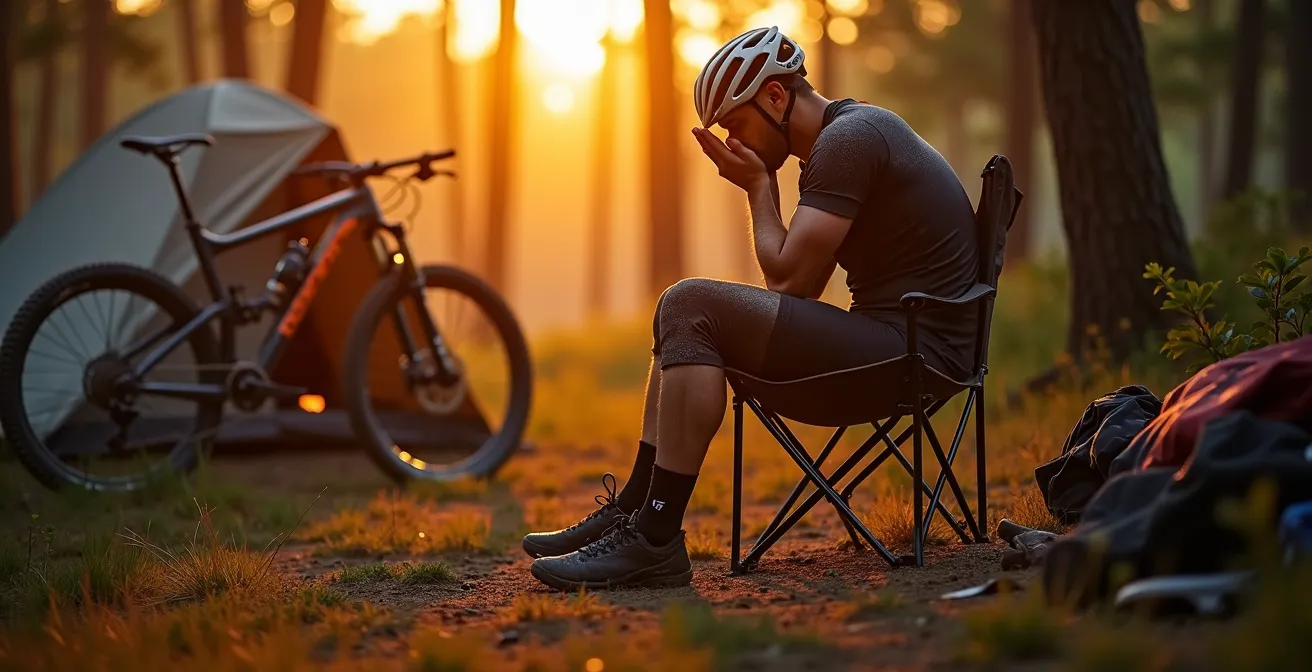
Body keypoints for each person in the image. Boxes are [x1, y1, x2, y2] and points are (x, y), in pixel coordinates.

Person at [523, 26, 980, 591]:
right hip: (911, 348)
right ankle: (638, 507)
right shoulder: (847, 138)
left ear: (775, 96)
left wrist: (759, 189)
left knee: (689, 303)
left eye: (736, 124)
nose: (732, 141)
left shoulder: (849, 140)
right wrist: (764, 187)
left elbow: (788, 281)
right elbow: (801, 288)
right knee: (681, 311)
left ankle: (654, 536)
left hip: (910, 356)